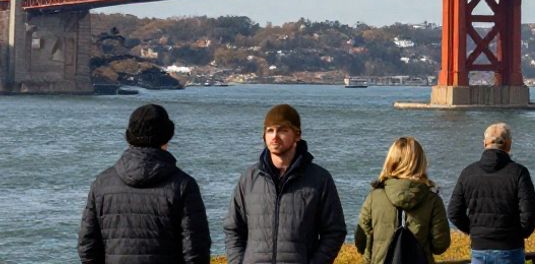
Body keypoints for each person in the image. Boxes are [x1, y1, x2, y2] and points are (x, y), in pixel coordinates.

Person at [78, 104, 211, 264]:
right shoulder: (183, 185)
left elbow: (87, 246)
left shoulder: (102, 184)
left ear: (129, 136)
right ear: (167, 136)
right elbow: (196, 250)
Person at [224, 104, 346, 264]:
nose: (275, 136)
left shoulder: (319, 179)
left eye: (282, 130)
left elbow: (334, 231)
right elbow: (233, 229)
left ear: (297, 135)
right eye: (270, 130)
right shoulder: (249, 179)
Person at [448, 123, 535, 264]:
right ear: (509, 144)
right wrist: (516, 235)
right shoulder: (519, 172)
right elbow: (530, 213)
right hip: (510, 249)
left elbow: (454, 212)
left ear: (484, 143)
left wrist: (475, 231)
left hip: (479, 249)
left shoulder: (468, 173)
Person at [356, 137, 451, 264]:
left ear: (391, 161)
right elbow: (440, 245)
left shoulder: (374, 197)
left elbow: (361, 241)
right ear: (420, 162)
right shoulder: (432, 200)